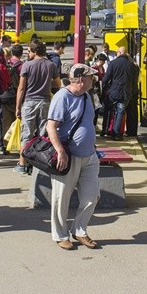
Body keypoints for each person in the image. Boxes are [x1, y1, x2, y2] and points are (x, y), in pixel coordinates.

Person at [47, 63, 100, 250]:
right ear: (79, 78)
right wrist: (60, 151)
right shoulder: (62, 97)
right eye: (90, 76)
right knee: (61, 198)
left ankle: (79, 230)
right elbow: (51, 126)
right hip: (69, 156)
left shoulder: (86, 96)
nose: (93, 79)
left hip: (90, 155)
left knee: (91, 196)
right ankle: (60, 235)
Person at [14, 40, 61, 174]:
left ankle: (22, 164)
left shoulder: (27, 66)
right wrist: (45, 84)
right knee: (43, 135)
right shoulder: (50, 65)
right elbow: (58, 83)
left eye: (29, 51)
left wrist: (18, 107)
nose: (28, 53)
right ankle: (40, 164)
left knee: (26, 134)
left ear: (34, 52)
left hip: (29, 103)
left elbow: (21, 88)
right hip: (45, 102)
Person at [102, 46, 135, 141]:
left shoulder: (113, 63)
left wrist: (104, 89)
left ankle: (106, 130)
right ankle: (116, 134)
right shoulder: (131, 65)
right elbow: (133, 80)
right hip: (125, 92)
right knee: (120, 112)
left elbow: (106, 78)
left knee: (108, 111)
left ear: (119, 53)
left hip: (114, 91)